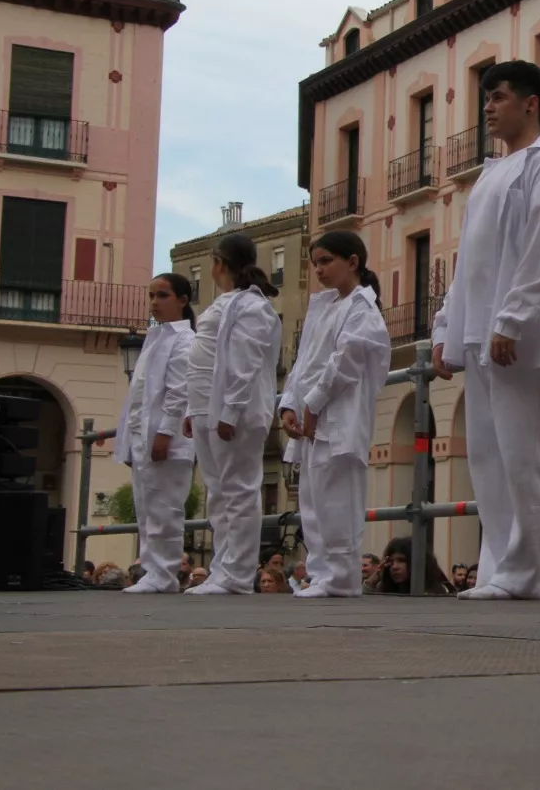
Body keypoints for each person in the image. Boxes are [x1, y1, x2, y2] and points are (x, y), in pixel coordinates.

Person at [431, 60, 540, 600]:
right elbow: (469, 263)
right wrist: (447, 328)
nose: (488, 108)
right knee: (488, 458)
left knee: (526, 457)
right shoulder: (490, 175)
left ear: (531, 103)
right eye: (487, 98)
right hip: (481, 332)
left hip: (524, 337)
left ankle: (523, 571)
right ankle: (497, 567)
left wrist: (513, 318)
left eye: (498, 97)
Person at [280, 230, 392, 599]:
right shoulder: (325, 308)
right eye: (315, 263)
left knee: (337, 499)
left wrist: (312, 403)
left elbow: (345, 362)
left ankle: (341, 576)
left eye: (326, 261)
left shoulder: (362, 308)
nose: (319, 270)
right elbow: (304, 363)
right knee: (313, 500)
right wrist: (289, 404)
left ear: (353, 262)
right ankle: (322, 573)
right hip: (314, 419)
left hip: (339, 418)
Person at [185, 232, 282, 596]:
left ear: (218, 264)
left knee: (239, 490)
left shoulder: (252, 306)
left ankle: (237, 574)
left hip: (233, 411)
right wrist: (193, 409)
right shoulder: (226, 303)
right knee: (218, 492)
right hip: (206, 407)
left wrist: (230, 410)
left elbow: (245, 361)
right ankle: (221, 568)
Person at [109, 272, 197, 594]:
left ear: (182, 300)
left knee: (165, 508)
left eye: (162, 295)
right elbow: (138, 396)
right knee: (146, 507)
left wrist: (165, 432)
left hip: (165, 439)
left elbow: (178, 391)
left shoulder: (185, 340)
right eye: (151, 296)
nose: (154, 302)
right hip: (143, 437)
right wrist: (130, 442)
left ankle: (164, 572)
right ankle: (153, 570)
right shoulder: (154, 338)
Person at [369, 536, 456, 595]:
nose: (394, 567)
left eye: (402, 560)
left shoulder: (434, 593)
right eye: (391, 561)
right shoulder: (383, 589)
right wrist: (371, 583)